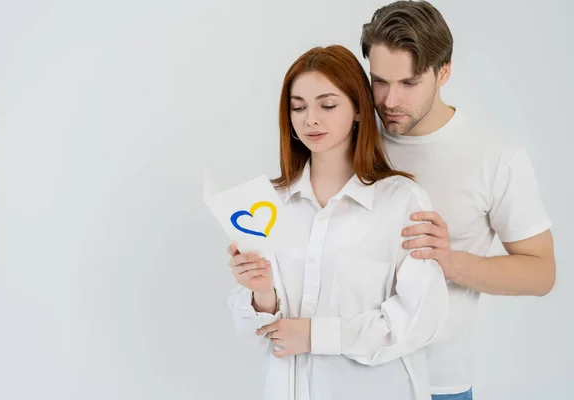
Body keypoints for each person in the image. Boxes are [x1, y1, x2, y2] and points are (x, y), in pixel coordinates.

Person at [226, 44, 448, 400]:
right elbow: (250, 333)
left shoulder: (402, 201)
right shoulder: (265, 203)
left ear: (359, 109)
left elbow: (420, 320)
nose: (311, 119)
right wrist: (261, 293)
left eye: (327, 105)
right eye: (298, 107)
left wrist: (317, 335)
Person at [359, 1, 556, 399]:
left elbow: (541, 273)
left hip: (437, 383)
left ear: (444, 71)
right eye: (379, 81)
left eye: (409, 83)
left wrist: (450, 263)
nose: (390, 100)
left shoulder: (494, 156)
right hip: (345, 373)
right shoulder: (353, 139)